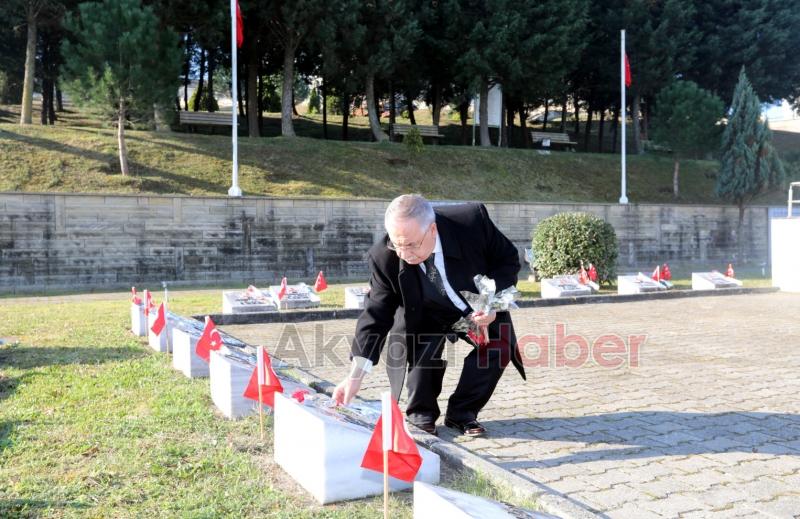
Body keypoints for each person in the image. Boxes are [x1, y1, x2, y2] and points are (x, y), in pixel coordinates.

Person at [333, 194, 526, 437]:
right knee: (423, 351)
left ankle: (462, 412)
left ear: (432, 229)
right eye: (397, 244)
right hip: (424, 312)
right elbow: (376, 314)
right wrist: (355, 376)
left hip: (474, 308)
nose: (404, 253)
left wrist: (492, 304)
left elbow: (507, 260)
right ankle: (421, 414)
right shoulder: (384, 256)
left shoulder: (471, 222)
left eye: (412, 244)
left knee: (499, 346)